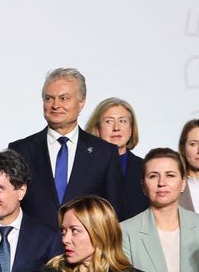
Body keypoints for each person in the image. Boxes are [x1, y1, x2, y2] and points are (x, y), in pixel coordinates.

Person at [9, 68, 122, 227]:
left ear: (81, 102)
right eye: (49, 98)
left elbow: (112, 212)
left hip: (86, 247)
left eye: (64, 98)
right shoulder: (20, 150)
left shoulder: (105, 153)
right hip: (35, 248)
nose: (55, 105)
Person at [85, 98, 144, 221]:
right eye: (108, 121)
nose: (116, 128)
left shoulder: (145, 168)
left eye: (122, 121)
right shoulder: (82, 166)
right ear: (97, 128)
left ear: (130, 129)